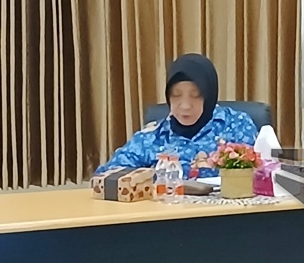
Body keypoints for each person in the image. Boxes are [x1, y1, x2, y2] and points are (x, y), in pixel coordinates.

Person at [95, 53, 258, 178]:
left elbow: (262, 174)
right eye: (176, 95)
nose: (185, 105)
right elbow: (107, 175)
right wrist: (147, 178)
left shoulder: (237, 126)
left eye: (196, 95)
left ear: (209, 96)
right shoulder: (153, 137)